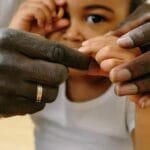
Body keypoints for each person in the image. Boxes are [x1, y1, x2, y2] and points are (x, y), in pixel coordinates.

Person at [6, 0, 146, 150]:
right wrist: (15, 47)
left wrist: (142, 97)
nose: (72, 35)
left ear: (133, 25)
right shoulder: (37, 73)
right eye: (62, 15)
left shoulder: (131, 89)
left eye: (95, 18)